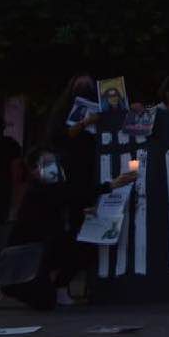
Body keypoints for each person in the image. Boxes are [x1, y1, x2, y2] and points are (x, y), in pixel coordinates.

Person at [0, 149, 136, 310]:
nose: (54, 167)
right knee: (44, 302)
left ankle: (60, 287)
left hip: (47, 247)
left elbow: (62, 202)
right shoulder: (37, 190)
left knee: (84, 247)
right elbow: (69, 195)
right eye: (47, 163)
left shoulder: (54, 188)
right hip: (26, 254)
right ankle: (5, 283)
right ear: (34, 169)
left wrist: (84, 211)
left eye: (54, 162)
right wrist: (110, 185)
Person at [47, 75, 103, 234]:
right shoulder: (62, 110)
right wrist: (84, 123)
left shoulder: (99, 108)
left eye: (88, 86)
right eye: (81, 86)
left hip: (95, 169)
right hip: (71, 171)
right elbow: (58, 136)